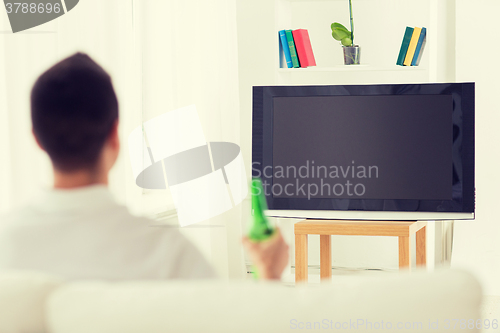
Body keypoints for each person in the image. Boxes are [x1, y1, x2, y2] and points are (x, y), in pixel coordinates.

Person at [0, 53, 288, 281]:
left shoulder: (6, 244)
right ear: (115, 136)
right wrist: (269, 275)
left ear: (37, 139)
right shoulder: (169, 254)